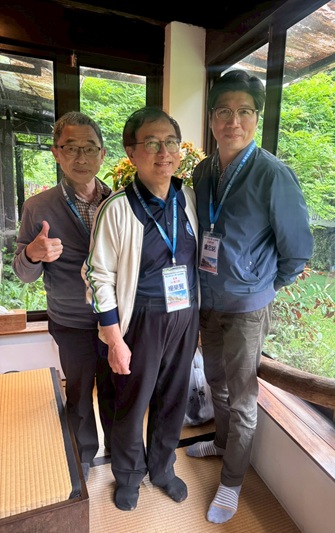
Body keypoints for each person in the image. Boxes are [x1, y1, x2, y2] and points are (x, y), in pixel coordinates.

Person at [186, 69, 314, 524]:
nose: (233, 121)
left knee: (241, 397)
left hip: (246, 308)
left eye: (244, 111)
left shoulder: (273, 174)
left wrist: (262, 286)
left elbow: (297, 251)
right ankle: (222, 444)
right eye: (224, 111)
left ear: (257, 118)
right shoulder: (204, 171)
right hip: (208, 301)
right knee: (215, 381)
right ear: (211, 118)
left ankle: (232, 481)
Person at [81, 106, 199, 511]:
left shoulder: (188, 198)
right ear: (131, 153)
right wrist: (114, 339)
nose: (163, 152)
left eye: (170, 142)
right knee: (130, 404)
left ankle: (163, 469)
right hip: (140, 319)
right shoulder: (117, 208)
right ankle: (129, 474)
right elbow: (97, 276)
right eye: (151, 143)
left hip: (184, 315)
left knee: (173, 399)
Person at [12, 111, 115, 483]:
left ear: (102, 154)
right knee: (80, 392)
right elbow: (22, 273)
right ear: (56, 153)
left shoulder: (118, 201)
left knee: (115, 390)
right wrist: (32, 254)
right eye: (70, 148)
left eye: (89, 148)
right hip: (71, 320)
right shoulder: (38, 207)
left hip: (115, 320)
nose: (80, 157)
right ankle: (83, 456)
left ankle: (120, 455)